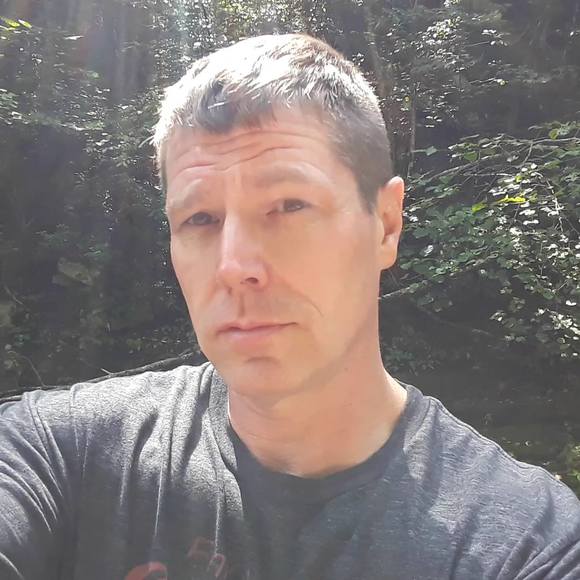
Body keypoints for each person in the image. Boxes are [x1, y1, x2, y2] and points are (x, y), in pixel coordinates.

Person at [0, 33, 579, 580]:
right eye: (200, 218)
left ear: (386, 224)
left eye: (288, 205)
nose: (233, 265)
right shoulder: (58, 453)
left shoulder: (526, 545)